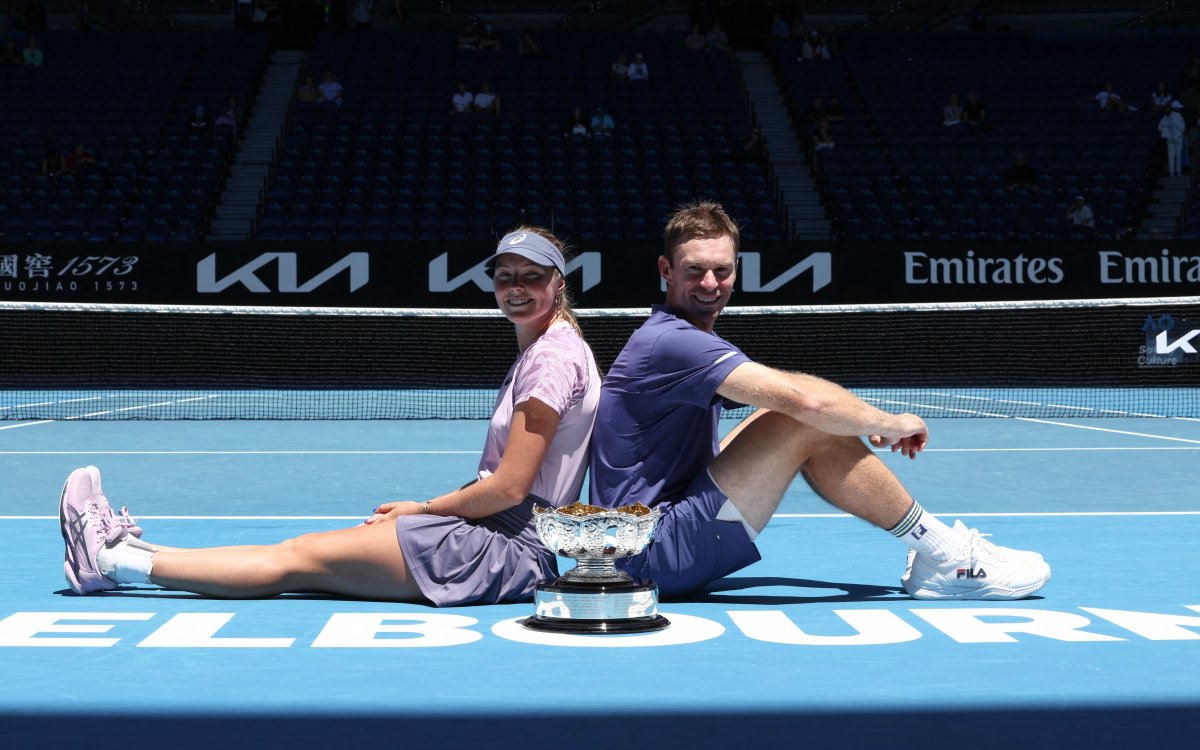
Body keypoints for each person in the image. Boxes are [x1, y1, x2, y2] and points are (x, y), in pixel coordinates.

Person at [58, 229, 602, 606]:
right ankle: (127, 554)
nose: (516, 287)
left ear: (559, 283)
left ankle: (108, 558)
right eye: (505, 275)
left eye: (532, 276)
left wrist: (423, 508)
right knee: (302, 557)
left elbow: (509, 489)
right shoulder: (550, 347)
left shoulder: (551, 359)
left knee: (296, 560)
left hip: (506, 546)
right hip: (501, 531)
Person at [587, 202, 1051, 601]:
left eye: (722, 270)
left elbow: (787, 404)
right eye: (694, 270)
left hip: (648, 537)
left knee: (784, 415)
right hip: (651, 552)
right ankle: (946, 556)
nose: (710, 282)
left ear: (736, 270)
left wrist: (850, 420)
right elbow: (805, 402)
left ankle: (938, 552)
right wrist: (887, 422)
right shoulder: (671, 343)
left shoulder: (677, 337)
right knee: (803, 419)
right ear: (666, 270)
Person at [1159, 100, 1186, 177]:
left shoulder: (1166, 116)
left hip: (1169, 138)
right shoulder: (1178, 115)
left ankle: (1171, 173)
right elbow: (1182, 128)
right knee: (1178, 156)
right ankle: (1179, 173)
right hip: (1178, 137)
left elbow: (1160, 127)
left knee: (1171, 156)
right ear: (1176, 108)